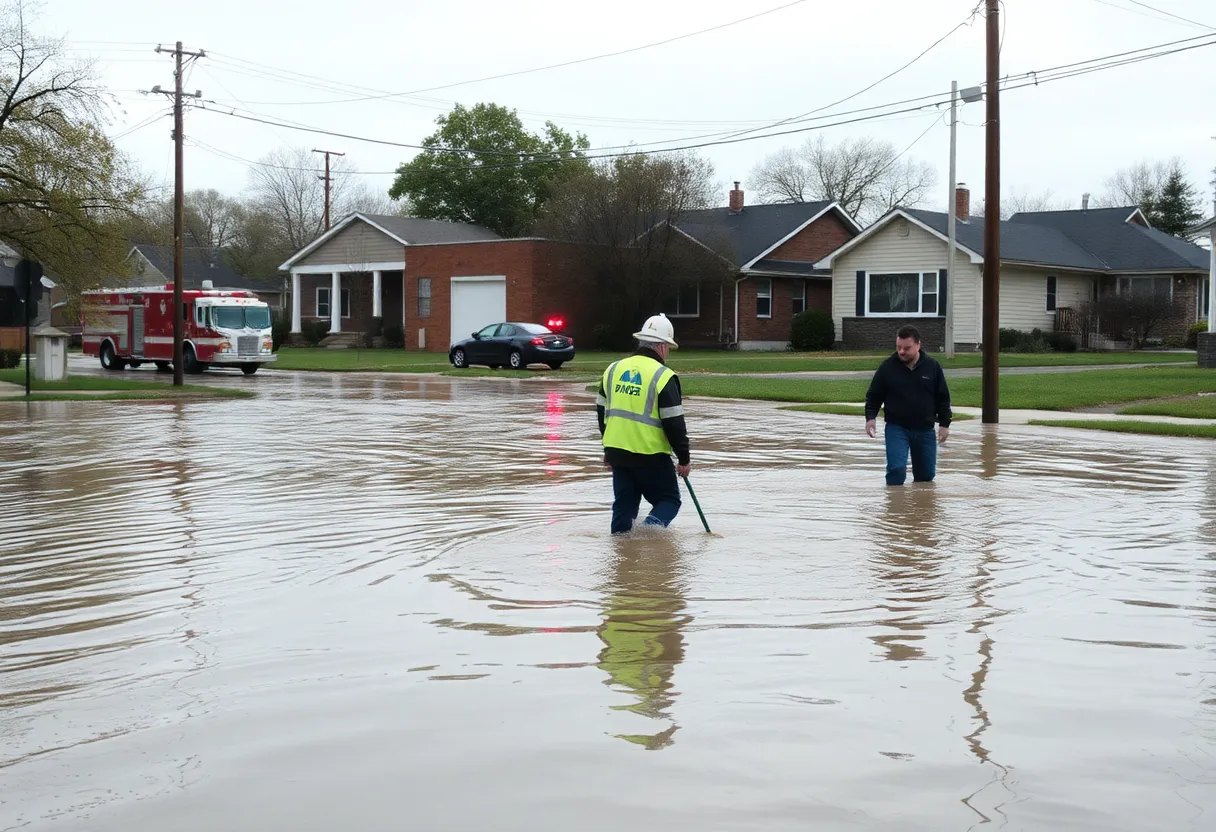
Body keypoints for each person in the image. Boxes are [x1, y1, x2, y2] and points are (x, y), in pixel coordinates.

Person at [596, 313, 691, 534]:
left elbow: (602, 413)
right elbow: (674, 423)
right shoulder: (663, 376)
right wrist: (684, 459)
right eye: (667, 347)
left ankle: (621, 555)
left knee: (624, 507)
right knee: (669, 501)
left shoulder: (613, 369)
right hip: (651, 455)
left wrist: (608, 449)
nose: (667, 353)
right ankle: (648, 538)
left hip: (618, 452)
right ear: (661, 346)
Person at [864, 325, 952, 486]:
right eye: (899, 347)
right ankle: (894, 508)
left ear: (918, 345)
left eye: (907, 348)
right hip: (897, 428)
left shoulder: (932, 366)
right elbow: (874, 395)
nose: (902, 352)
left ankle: (919, 510)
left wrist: (944, 424)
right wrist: (871, 417)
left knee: (926, 477)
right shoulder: (887, 367)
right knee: (896, 469)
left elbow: (943, 397)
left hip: (925, 429)